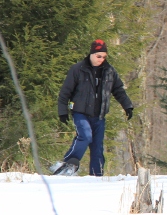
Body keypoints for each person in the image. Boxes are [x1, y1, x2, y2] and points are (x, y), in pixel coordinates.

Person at [52, 39, 134, 176]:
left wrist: (128, 106)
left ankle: (97, 177)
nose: (101, 59)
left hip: (99, 116)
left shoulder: (110, 71)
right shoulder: (78, 69)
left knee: (97, 148)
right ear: (91, 54)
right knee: (85, 135)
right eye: (98, 56)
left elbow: (119, 90)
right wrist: (62, 111)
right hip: (80, 113)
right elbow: (65, 92)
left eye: (104, 56)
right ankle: (68, 164)